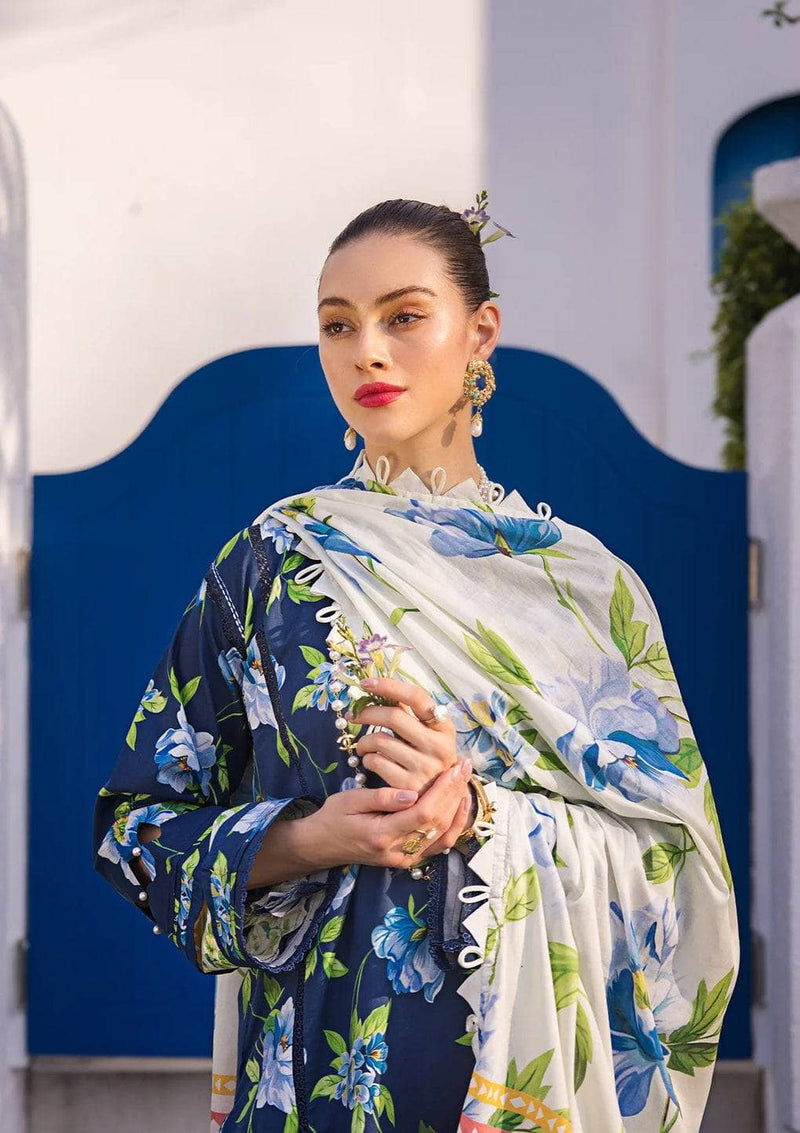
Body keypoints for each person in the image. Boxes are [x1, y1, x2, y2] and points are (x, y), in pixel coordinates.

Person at [92, 196, 739, 1133]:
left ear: (481, 332)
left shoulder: (588, 590)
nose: (368, 353)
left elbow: (677, 864)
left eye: (403, 316)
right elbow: (137, 831)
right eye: (337, 325)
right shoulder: (271, 566)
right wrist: (315, 837)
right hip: (314, 1084)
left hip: (508, 1083)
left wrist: (481, 817)